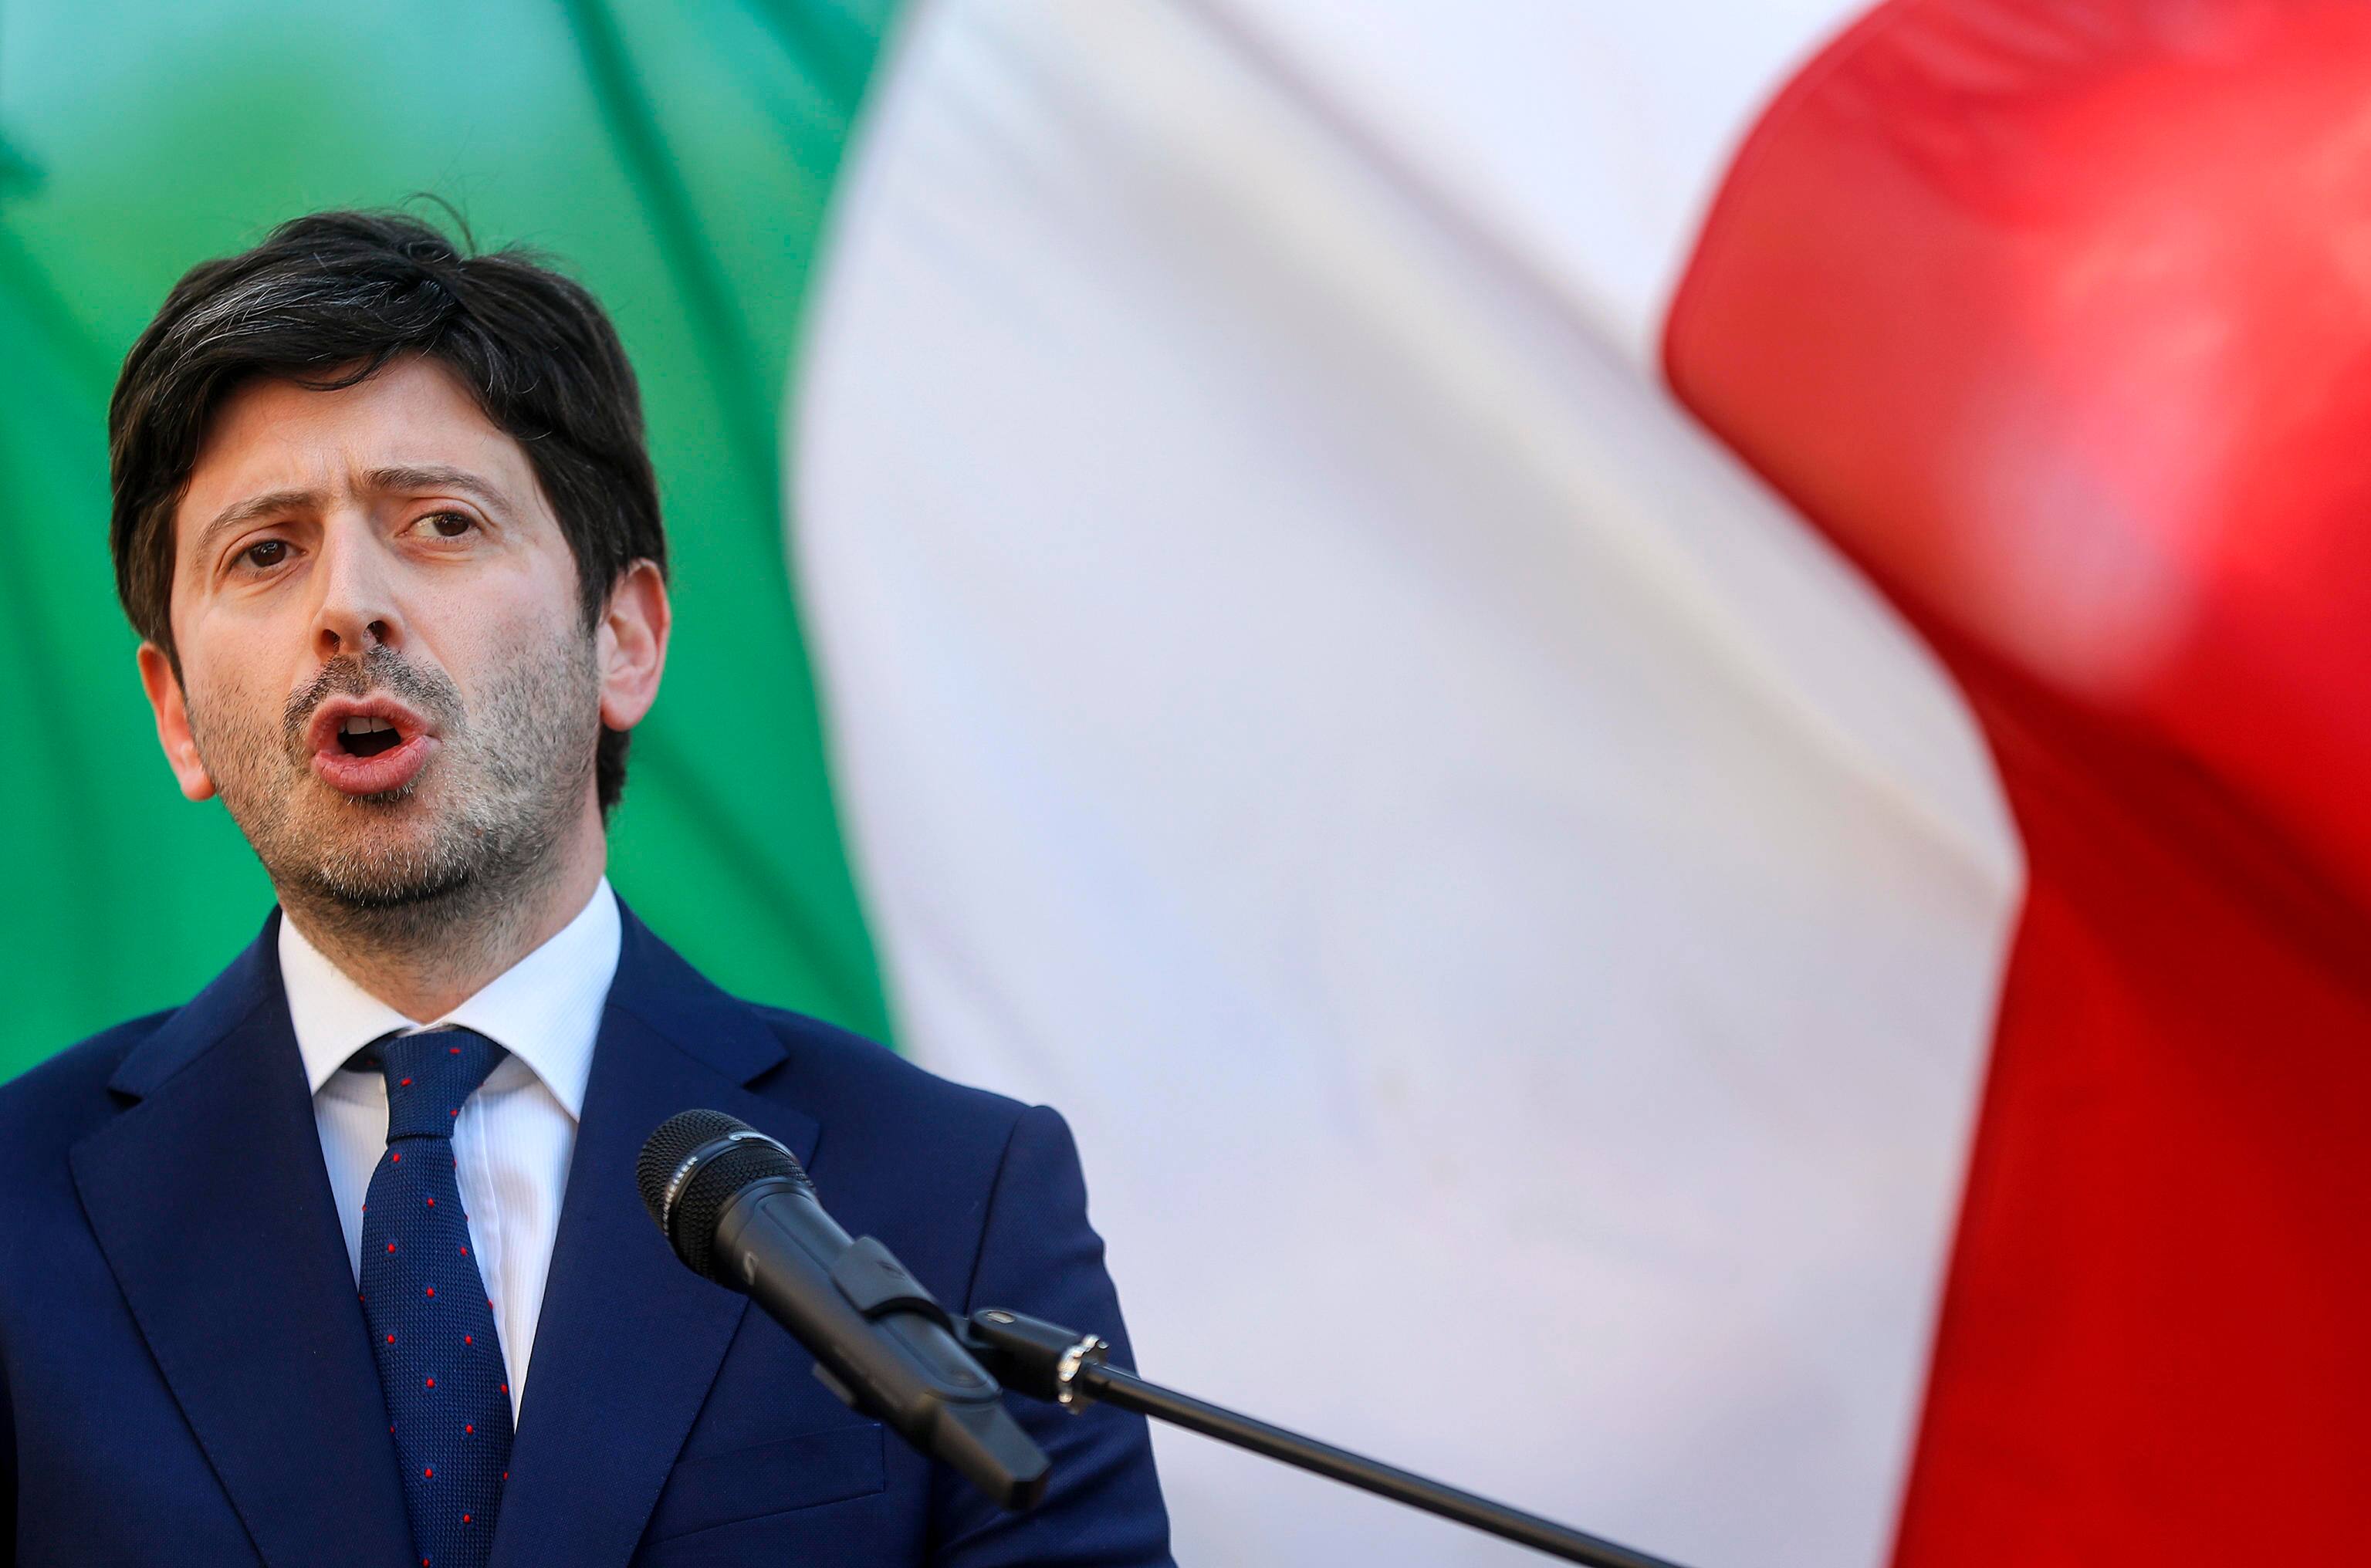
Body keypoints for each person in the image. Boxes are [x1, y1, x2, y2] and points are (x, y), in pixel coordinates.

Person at [0, 210, 1172, 1568]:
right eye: (265, 552)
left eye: (438, 522)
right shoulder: (23, 1220)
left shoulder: (952, 1195)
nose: (350, 606)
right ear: (178, 714)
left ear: (623, 637)